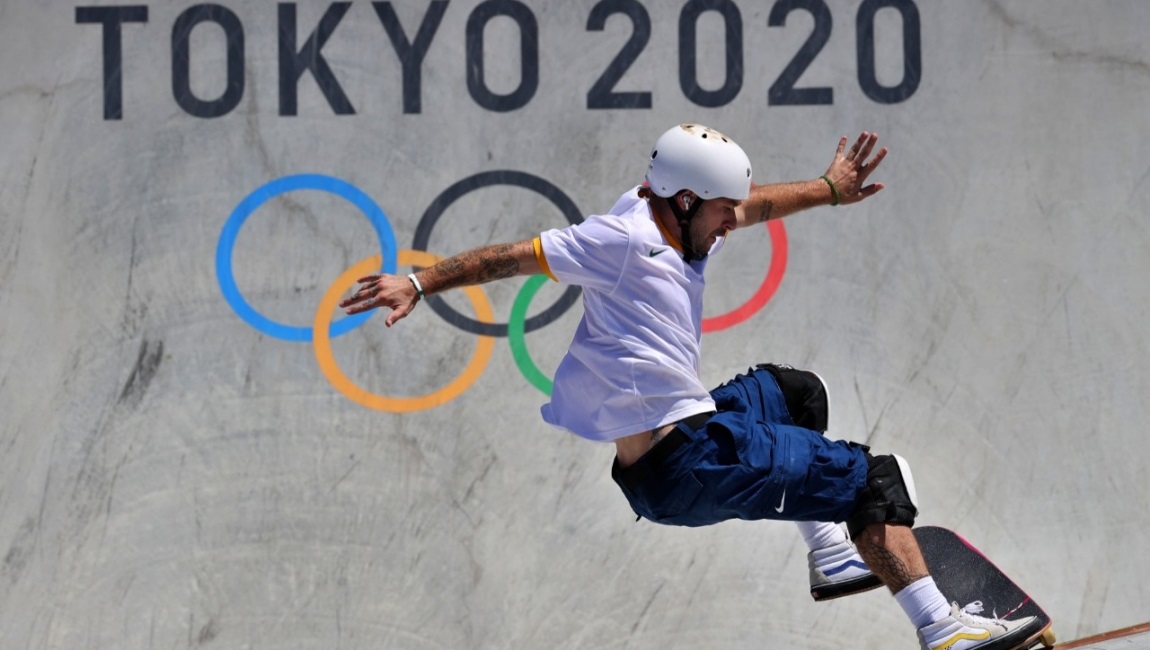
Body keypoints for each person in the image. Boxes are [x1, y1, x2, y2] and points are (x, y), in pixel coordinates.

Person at [341, 124, 1045, 650]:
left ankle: (832, 554)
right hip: (687, 468)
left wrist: (827, 190)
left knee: (795, 394)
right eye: (719, 212)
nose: (732, 221)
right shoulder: (619, 240)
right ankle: (943, 632)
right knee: (876, 481)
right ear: (683, 201)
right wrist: (419, 281)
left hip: (688, 439)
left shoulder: (681, 215)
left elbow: (756, 204)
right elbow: (509, 258)